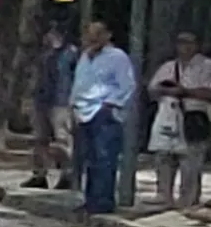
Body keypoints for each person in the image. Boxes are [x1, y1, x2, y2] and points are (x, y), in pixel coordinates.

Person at [148, 31, 211, 209]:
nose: (185, 46)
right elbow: (151, 90)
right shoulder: (168, 67)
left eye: (190, 42)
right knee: (163, 158)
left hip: (193, 115)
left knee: (191, 162)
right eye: (181, 42)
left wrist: (185, 91)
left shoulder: (207, 65)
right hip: (168, 115)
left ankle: (188, 201)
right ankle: (164, 197)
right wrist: (165, 90)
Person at [72, 17, 137, 216]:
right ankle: (90, 200)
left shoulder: (117, 57)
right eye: (90, 34)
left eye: (98, 33)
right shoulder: (85, 56)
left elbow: (127, 84)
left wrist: (110, 105)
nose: (93, 38)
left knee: (105, 157)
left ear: (107, 35)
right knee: (89, 158)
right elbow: (79, 82)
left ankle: (103, 201)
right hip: (82, 112)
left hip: (103, 112)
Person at [28, 26, 79, 190]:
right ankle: (39, 174)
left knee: (62, 140)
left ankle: (67, 174)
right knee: (39, 139)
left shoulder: (71, 54)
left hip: (62, 101)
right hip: (42, 100)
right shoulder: (44, 54)